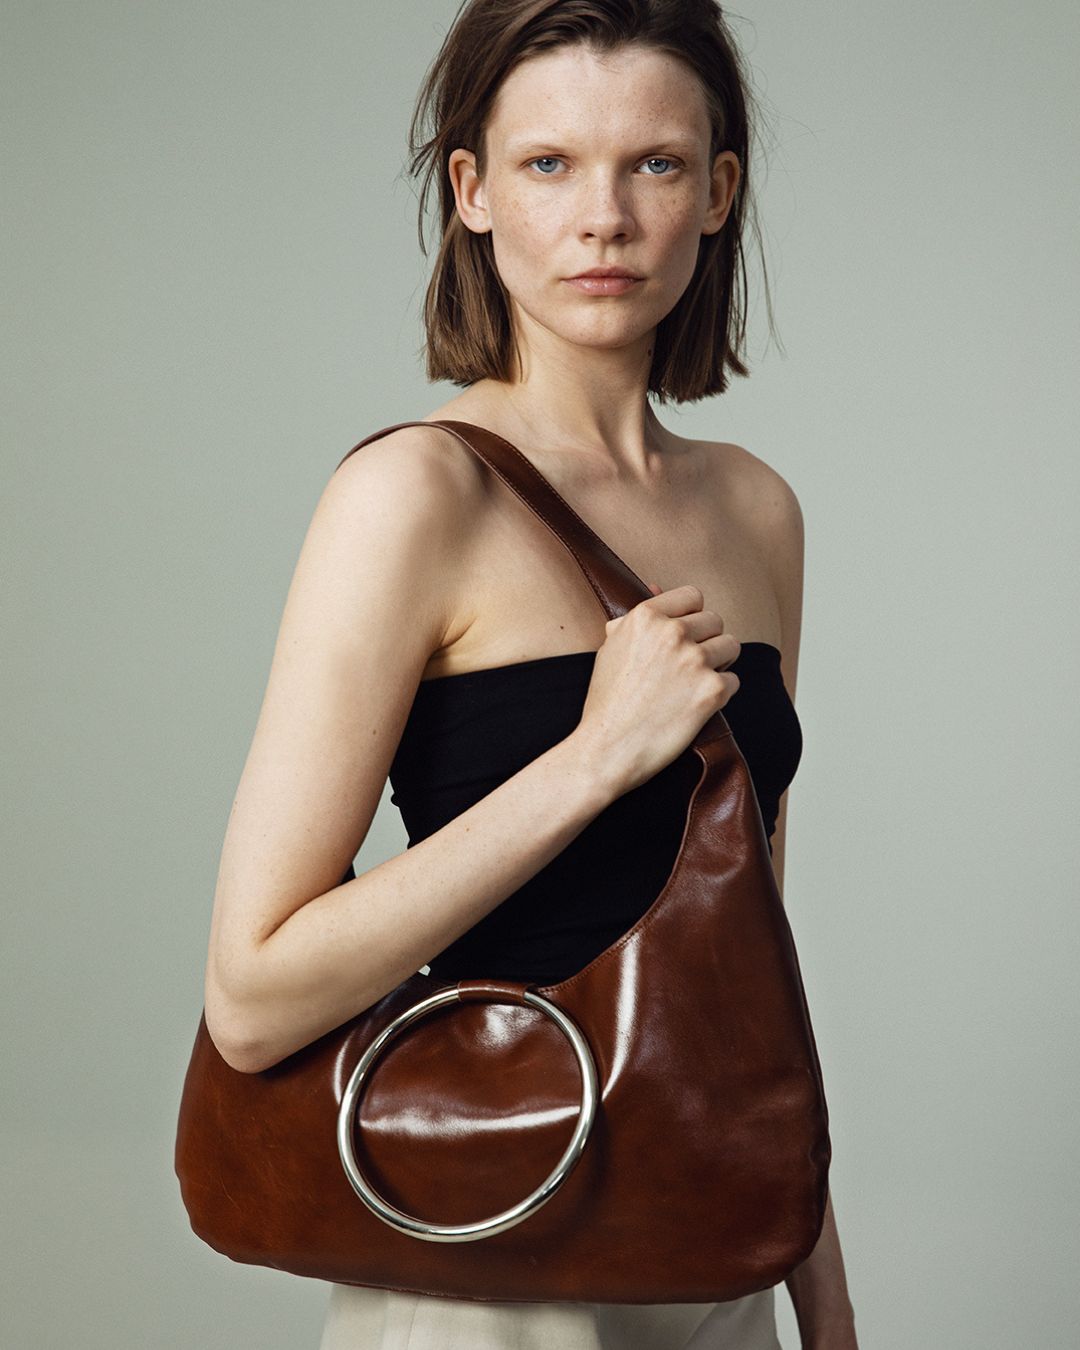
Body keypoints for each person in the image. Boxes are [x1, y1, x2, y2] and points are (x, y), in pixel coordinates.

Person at [202, 1, 858, 1346]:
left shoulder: (757, 514)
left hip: (714, 1245)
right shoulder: (413, 497)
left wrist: (825, 1308)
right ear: (475, 192)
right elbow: (254, 994)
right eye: (550, 164)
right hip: (493, 1253)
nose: (603, 216)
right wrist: (595, 756)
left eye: (656, 164)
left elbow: (751, 983)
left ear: (720, 191)